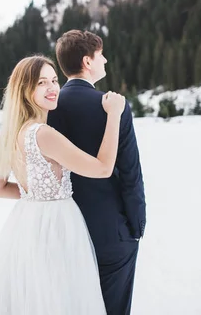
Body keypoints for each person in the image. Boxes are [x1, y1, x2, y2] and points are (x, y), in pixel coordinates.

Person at [0, 55, 126, 314]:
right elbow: (103, 168)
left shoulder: (9, 135)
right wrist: (115, 114)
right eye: (42, 83)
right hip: (57, 227)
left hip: (27, 224)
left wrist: (36, 194)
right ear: (26, 90)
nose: (52, 88)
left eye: (54, 80)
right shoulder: (43, 134)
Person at [47, 30, 147, 315]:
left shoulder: (49, 107)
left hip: (64, 231)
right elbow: (130, 173)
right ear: (87, 62)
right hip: (110, 233)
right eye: (100, 55)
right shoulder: (112, 106)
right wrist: (136, 226)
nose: (106, 60)